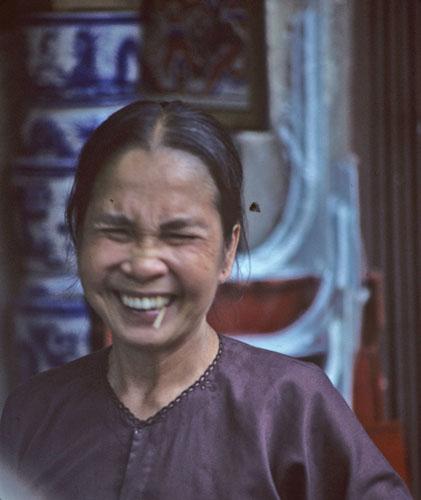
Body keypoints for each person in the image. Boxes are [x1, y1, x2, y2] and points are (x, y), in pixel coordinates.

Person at [0, 101, 412, 499]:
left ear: (228, 251)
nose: (144, 265)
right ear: (77, 234)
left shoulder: (293, 409)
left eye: (179, 235)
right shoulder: (34, 415)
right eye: (117, 231)